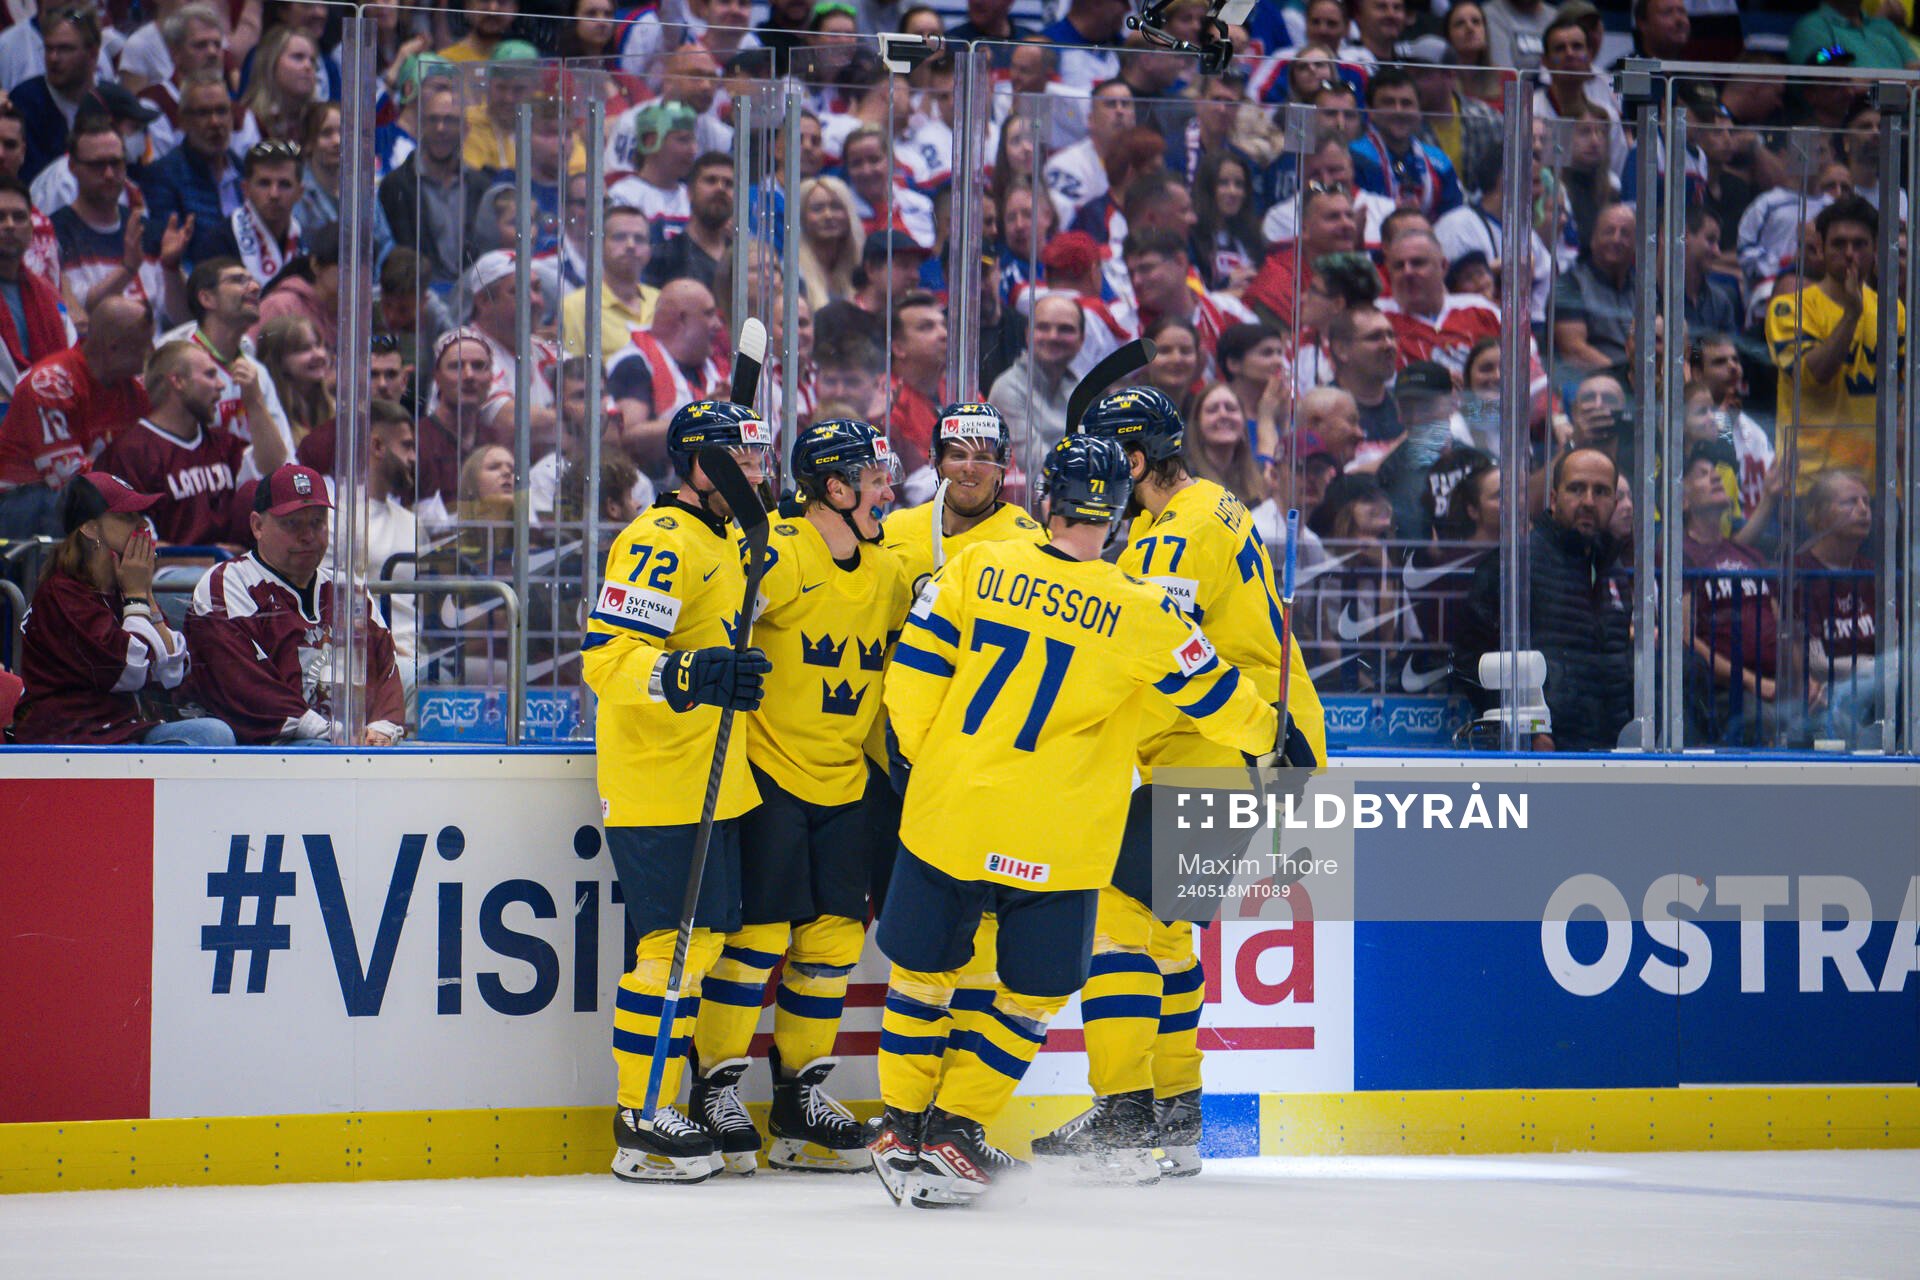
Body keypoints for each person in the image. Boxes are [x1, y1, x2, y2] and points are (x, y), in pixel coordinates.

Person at [867, 433, 1284, 1208]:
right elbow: (1222, 699)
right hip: (1056, 839)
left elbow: (913, 681)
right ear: (1121, 510)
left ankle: (900, 1126)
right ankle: (957, 1130)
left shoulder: (976, 565)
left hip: (949, 812)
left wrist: (940, 771)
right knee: (1029, 995)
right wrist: (1272, 733)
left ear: (1048, 500)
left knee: (923, 975)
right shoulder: (1146, 611)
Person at [1025, 390, 1324, 1181]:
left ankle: (1124, 1117)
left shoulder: (1178, 533)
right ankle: (1177, 1114)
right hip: (1237, 744)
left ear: (1130, 462)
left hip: (1233, 743)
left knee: (1115, 914)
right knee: (1164, 935)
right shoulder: (1200, 507)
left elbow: (1147, 645)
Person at [683, 418, 911, 1175]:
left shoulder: (890, 571)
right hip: (772, 776)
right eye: (874, 478)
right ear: (836, 488)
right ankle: (713, 1088)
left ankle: (798, 1100)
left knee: (834, 946)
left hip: (850, 780)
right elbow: (715, 623)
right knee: (756, 943)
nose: (888, 487)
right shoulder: (777, 551)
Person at [586, 400, 776, 1183]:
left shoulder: (723, 535)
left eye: (762, 460)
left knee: (699, 947)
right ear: (702, 467)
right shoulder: (660, 540)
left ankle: (668, 1103)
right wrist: (690, 673)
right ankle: (641, 1119)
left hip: (713, 782)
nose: (760, 475)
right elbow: (607, 659)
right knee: (671, 951)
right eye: (745, 462)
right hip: (660, 782)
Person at [185, 463, 406, 746]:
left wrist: (382, 728)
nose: (308, 536)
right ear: (257, 526)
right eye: (292, 524)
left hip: (342, 741)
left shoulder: (348, 591)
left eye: (317, 522)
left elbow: (385, 664)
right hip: (266, 745)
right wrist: (330, 733)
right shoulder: (227, 583)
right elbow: (243, 684)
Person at [8, 471, 233, 746]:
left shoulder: (122, 586)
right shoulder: (62, 595)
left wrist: (146, 598)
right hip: (72, 739)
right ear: (90, 528)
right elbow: (129, 670)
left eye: (141, 516)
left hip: (118, 731)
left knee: (214, 734)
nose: (142, 527)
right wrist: (137, 598)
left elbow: (174, 671)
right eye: (127, 517)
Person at [1455, 447, 1631, 751]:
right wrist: (1528, 729)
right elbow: (1471, 658)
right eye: (1576, 489)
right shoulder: (1514, 564)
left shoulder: (1612, 567)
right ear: (1553, 498)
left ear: (1614, 503)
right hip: (1543, 752)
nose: (1588, 501)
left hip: (1610, 750)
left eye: (1600, 491)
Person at [1766, 196, 1906, 491]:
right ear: (1820, 247)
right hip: (1811, 488)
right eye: (1839, 244)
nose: (1850, 253)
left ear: (1877, 248)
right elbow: (1814, 376)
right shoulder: (1789, 308)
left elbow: (1903, 397)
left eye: (1860, 244)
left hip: (1875, 487)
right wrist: (1852, 314)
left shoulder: (1893, 311)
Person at [97, 339, 287, 545]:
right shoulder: (129, 453)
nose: (222, 385)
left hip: (227, 569)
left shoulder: (223, 443)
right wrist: (210, 560)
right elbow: (128, 543)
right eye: (210, 375)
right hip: (167, 575)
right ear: (178, 381)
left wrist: (255, 401)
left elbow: (274, 469)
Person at [0, 294, 150, 536]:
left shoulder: (134, 391)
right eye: (144, 346)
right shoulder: (50, 383)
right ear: (113, 347)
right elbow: (68, 479)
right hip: (19, 503)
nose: (150, 353)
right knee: (71, 501)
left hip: (86, 502)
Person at [163, 256, 292, 453]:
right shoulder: (173, 363)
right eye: (239, 280)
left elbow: (284, 458)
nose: (255, 288)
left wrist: (255, 401)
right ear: (207, 298)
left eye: (252, 280)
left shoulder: (257, 371)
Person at [378, 78, 489, 292]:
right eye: (433, 120)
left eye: (450, 120)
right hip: (418, 297)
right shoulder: (396, 186)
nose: (440, 128)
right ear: (420, 126)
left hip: (471, 298)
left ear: (465, 129)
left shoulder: (480, 186)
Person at [136, 70, 244, 274]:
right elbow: (173, 255)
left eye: (222, 111)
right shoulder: (164, 176)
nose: (215, 122)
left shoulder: (245, 171)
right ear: (183, 120)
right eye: (203, 113)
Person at [1350, 69, 1464, 223]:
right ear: (1370, 111)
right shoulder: (1354, 157)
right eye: (1388, 103)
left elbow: (1453, 219)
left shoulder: (1439, 162)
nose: (1399, 111)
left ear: (1419, 111)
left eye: (1406, 103)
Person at [0, 177, 76, 410]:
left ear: (31, 229)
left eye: (19, 217)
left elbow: (71, 362)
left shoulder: (49, 296)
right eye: (0, 217)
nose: (10, 224)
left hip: (49, 415)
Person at [986, 293, 1080, 468]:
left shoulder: (1080, 389)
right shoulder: (1008, 389)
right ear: (1027, 334)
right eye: (1043, 327)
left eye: (1065, 329)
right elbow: (1037, 469)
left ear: (1081, 339)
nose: (1053, 336)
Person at [561, 205, 657, 360]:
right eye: (619, 237)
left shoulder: (662, 302)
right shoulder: (574, 308)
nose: (631, 245)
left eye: (639, 239)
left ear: (649, 249)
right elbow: (575, 376)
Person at [1552, 202, 1636, 376]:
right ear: (1593, 240)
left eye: (1625, 233)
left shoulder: (1645, 289)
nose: (1616, 239)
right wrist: (1625, 377)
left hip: (1641, 381)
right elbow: (1574, 350)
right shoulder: (1569, 284)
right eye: (1609, 231)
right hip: (1592, 383)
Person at [643, 152, 733, 291]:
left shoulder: (744, 260)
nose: (720, 188)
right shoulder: (663, 258)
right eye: (711, 180)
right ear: (689, 191)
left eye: (729, 183)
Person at [884, 290, 947, 476]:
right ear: (898, 348)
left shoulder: (964, 392)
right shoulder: (887, 402)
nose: (944, 334)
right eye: (926, 327)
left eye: (943, 325)